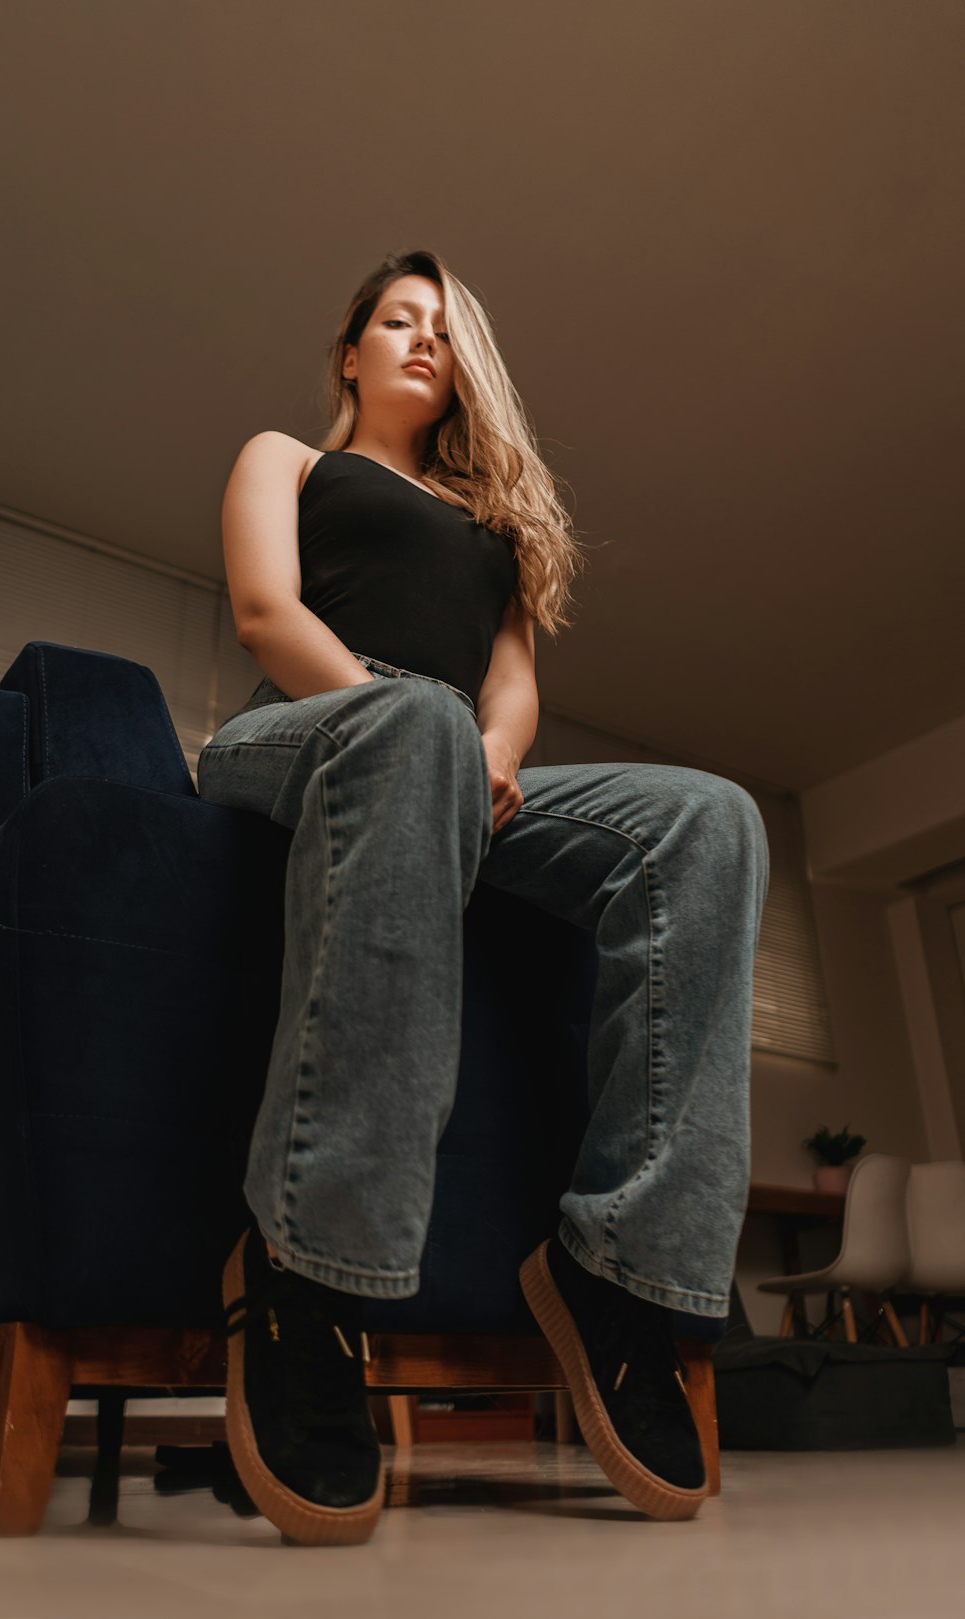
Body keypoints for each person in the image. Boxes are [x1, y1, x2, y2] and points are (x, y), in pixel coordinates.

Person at [197, 248, 769, 1545]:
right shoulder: (284, 457)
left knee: (711, 822)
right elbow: (262, 609)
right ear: (350, 351)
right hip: (304, 729)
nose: (420, 343)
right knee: (416, 727)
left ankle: (614, 1269)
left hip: (459, 759)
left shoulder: (487, 534)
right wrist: (419, 727)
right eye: (396, 322)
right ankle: (304, 1270)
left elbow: (512, 688)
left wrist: (491, 760)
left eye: (443, 333)